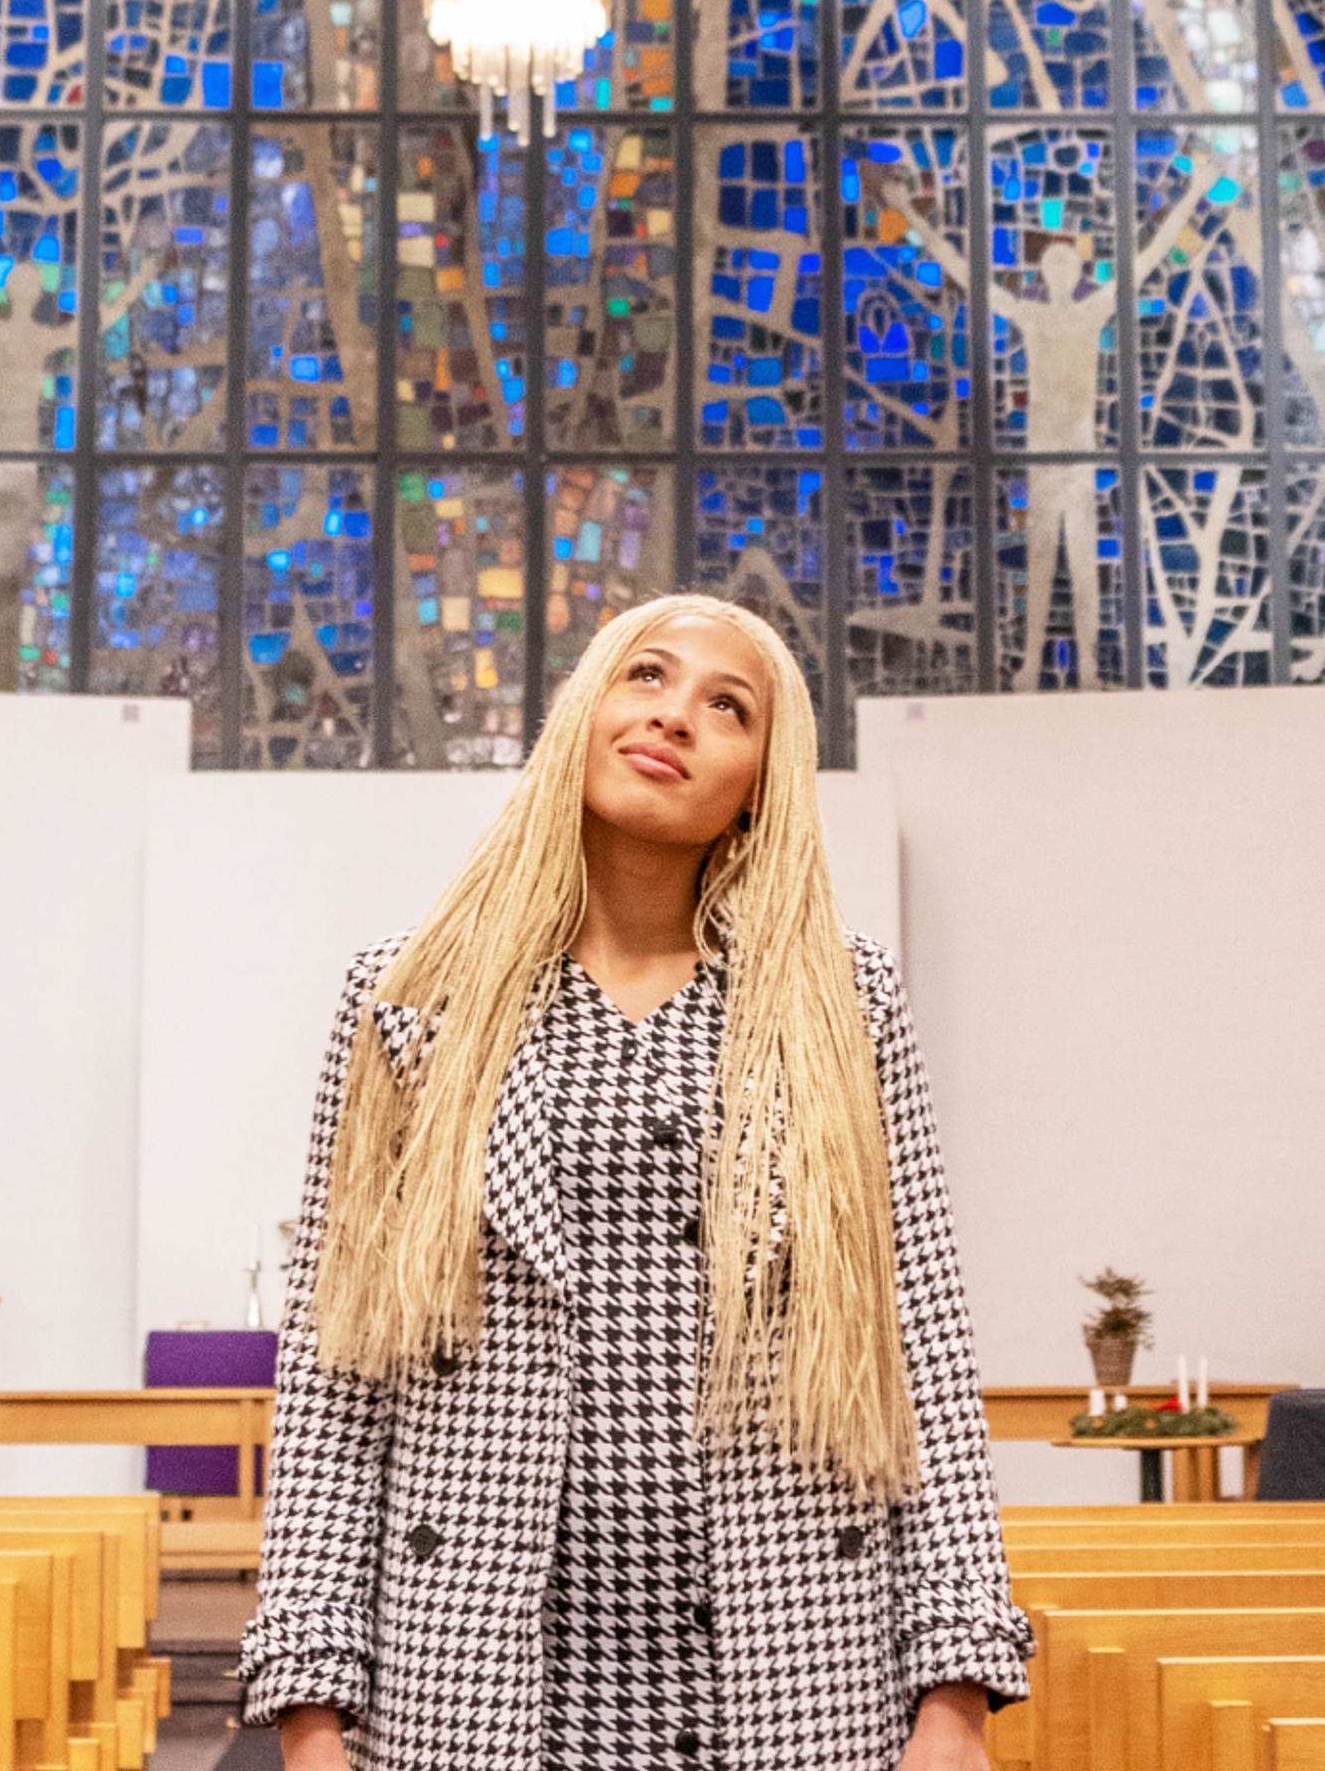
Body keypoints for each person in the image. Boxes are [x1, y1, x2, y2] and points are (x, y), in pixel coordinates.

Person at [241, 595, 1030, 1771]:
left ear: (764, 779)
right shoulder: (412, 999)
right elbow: (334, 1374)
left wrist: (956, 1695)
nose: (677, 716)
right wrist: (310, 1712)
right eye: (647, 677)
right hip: (475, 1668)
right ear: (584, 714)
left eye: (729, 706)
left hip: (791, 1654)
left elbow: (919, 1339)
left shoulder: (839, 1003)